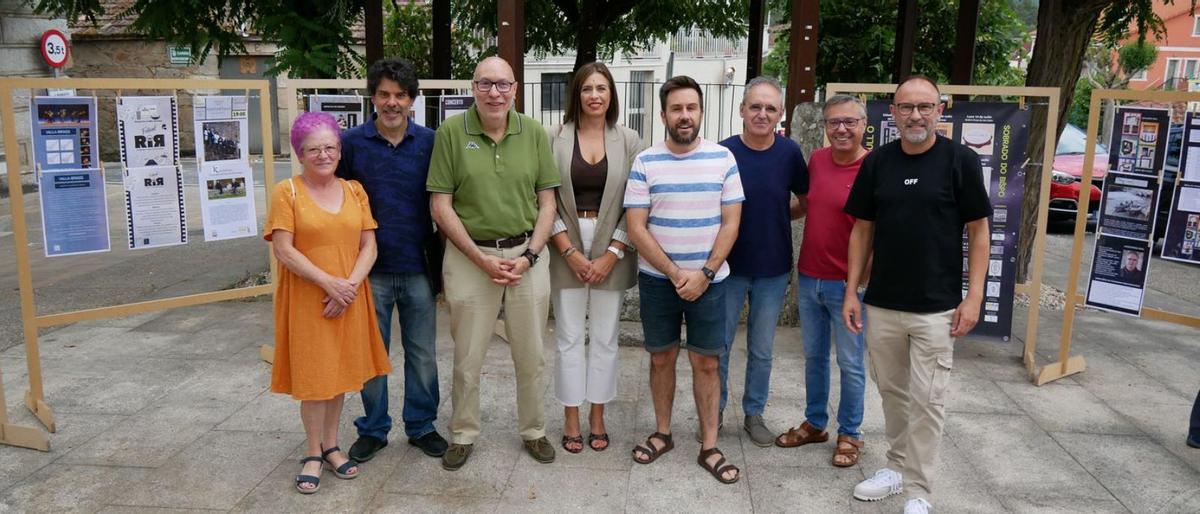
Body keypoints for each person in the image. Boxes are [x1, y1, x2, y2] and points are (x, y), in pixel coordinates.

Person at [841, 76, 992, 514]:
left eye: (925, 107)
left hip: (937, 308)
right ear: (893, 113)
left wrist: (974, 297)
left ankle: (919, 492)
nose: (915, 116)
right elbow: (862, 230)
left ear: (940, 111)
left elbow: (979, 232)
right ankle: (895, 467)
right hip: (883, 303)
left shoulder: (960, 161)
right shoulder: (878, 162)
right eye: (906, 107)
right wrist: (851, 291)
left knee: (928, 402)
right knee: (893, 394)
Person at [427, 56, 561, 470]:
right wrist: (480, 259)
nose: (495, 93)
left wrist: (531, 256)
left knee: (531, 354)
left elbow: (548, 203)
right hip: (470, 257)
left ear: (515, 89)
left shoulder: (534, 133)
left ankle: (534, 430)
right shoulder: (451, 133)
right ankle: (463, 433)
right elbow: (440, 206)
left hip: (526, 256)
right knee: (467, 357)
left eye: (503, 84)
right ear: (473, 88)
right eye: (485, 84)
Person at [626, 75, 744, 484]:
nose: (684, 115)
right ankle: (662, 433)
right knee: (661, 357)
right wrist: (678, 274)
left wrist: (705, 273)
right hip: (658, 282)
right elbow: (636, 228)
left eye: (691, 107)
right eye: (676, 108)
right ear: (663, 116)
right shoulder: (645, 162)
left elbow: (731, 223)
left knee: (707, 363)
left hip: (711, 282)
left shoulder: (723, 159)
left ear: (701, 112)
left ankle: (710, 445)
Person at [265, 111, 392, 494]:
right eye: (313, 149)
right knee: (314, 378)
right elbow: (284, 249)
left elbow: (369, 245)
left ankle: (332, 445)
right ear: (300, 154)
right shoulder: (287, 192)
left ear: (339, 150)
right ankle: (312, 452)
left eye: (330, 147)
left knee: (339, 374)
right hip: (310, 300)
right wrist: (328, 284)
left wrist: (348, 287)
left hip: (349, 297)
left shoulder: (354, 190)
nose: (323, 155)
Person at [336, 57, 447, 463]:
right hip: (368, 269)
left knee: (423, 354)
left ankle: (421, 425)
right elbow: (335, 201)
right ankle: (373, 429)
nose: (392, 102)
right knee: (371, 354)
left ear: (412, 99)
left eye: (400, 95)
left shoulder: (431, 142)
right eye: (384, 94)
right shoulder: (351, 144)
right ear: (372, 97)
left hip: (418, 265)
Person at [546, 62, 646, 454]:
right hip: (564, 243)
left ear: (611, 94)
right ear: (576, 94)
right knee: (569, 336)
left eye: (601, 88)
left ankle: (598, 416)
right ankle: (571, 417)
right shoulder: (553, 137)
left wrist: (614, 252)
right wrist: (568, 250)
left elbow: (637, 202)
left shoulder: (630, 139)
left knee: (605, 337)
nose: (594, 95)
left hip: (614, 245)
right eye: (587, 88)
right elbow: (543, 198)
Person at [776, 94, 869, 468]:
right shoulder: (816, 160)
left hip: (848, 286)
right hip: (810, 276)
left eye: (850, 121)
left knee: (850, 362)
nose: (841, 129)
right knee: (814, 357)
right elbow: (808, 206)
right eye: (834, 122)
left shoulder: (873, 167)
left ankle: (850, 432)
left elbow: (877, 231)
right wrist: (768, 215)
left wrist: (858, 285)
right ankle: (816, 423)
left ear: (864, 125)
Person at [714, 76, 807, 447]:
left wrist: (780, 217)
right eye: (755, 106)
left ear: (780, 113)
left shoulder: (789, 153)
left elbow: (805, 200)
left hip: (773, 267)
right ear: (742, 110)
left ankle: (754, 413)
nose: (762, 114)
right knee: (718, 346)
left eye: (770, 108)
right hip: (727, 268)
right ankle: (714, 412)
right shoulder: (722, 153)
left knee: (762, 349)